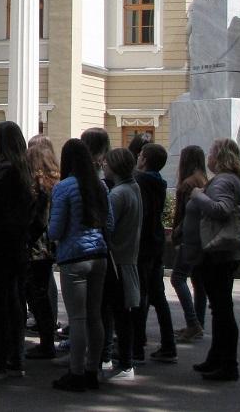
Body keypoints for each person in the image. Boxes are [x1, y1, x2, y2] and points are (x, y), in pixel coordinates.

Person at [48, 138, 113, 392]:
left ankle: (75, 373)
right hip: (99, 255)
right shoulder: (100, 186)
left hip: (74, 257)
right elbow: (109, 223)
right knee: (95, 316)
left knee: (77, 318)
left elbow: (55, 230)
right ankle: (92, 370)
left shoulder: (63, 187)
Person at [190, 138, 240, 382]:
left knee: (222, 309)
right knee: (220, 308)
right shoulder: (236, 180)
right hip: (227, 251)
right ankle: (216, 358)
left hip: (218, 251)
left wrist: (197, 195)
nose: (209, 157)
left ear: (221, 156)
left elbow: (221, 209)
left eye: (212, 152)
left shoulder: (223, 180)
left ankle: (227, 363)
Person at [0, 121, 35, 378]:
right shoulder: (24, 169)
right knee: (15, 302)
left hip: (1, 245)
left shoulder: (5, 171)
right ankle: (14, 355)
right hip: (18, 244)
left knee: (1, 303)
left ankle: (2, 358)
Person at [133, 142, 176, 364]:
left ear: (144, 160)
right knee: (158, 296)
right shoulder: (159, 182)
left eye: (140, 155)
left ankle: (137, 345)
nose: (137, 158)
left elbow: (142, 215)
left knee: (140, 295)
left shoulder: (141, 182)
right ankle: (169, 344)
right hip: (156, 242)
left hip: (143, 245)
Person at [103, 147, 143, 380]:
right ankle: (113, 357)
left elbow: (108, 226)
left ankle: (124, 363)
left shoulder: (118, 194)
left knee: (116, 312)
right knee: (119, 312)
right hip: (127, 257)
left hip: (116, 259)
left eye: (107, 163)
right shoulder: (133, 188)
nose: (104, 166)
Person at [23, 136, 60, 360]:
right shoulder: (54, 184)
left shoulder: (41, 189)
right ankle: (47, 340)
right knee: (40, 295)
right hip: (45, 248)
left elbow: (39, 221)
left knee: (37, 296)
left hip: (37, 249)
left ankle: (47, 343)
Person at [171, 146, 209, 343]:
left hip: (189, 238)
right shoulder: (204, 180)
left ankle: (193, 323)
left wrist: (176, 234)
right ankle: (198, 324)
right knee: (198, 282)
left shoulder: (187, 184)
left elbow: (184, 213)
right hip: (202, 239)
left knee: (177, 278)